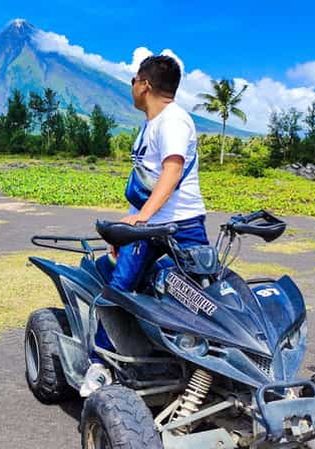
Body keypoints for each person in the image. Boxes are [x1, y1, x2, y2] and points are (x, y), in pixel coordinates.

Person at [81, 55, 209, 397]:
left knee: (201, 297)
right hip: (147, 228)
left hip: (181, 226)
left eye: (133, 81)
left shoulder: (173, 121)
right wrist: (127, 225)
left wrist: (141, 218)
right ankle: (102, 363)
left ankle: (205, 368)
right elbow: (146, 183)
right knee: (121, 289)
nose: (132, 88)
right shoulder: (151, 124)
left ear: (145, 84)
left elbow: (172, 172)